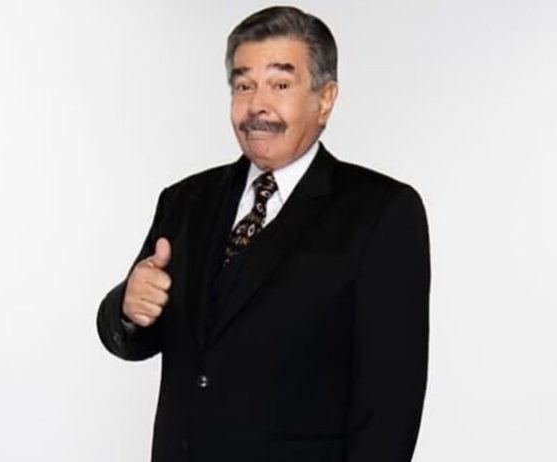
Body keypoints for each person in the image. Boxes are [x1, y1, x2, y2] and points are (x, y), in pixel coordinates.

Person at [97, 6, 430, 462]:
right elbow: (137, 337)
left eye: (280, 84)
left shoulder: (381, 212)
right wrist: (128, 309)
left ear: (325, 99)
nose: (257, 105)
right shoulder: (185, 201)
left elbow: (389, 408)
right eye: (243, 85)